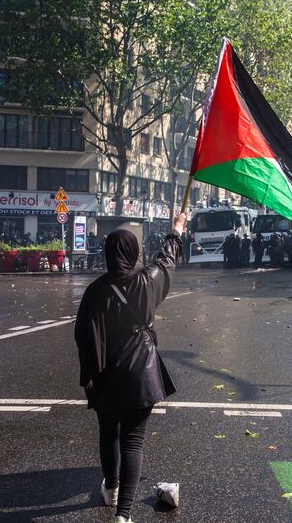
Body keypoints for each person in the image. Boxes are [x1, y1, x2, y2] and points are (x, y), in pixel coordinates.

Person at [75, 214, 184, 523]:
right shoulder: (148, 281)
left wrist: (89, 376)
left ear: (108, 253)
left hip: (105, 374)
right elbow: (167, 260)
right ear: (135, 253)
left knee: (108, 433)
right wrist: (176, 230)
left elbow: (82, 336)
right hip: (141, 375)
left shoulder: (94, 291)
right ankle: (123, 516)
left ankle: (110, 490)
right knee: (133, 440)